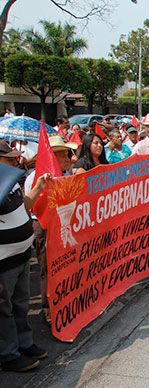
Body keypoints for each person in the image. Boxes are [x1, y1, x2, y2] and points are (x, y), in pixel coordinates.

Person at [0, 141, 51, 372]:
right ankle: (8, 353)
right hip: (3, 261)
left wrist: (38, 188)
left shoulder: (10, 183)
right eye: (9, 158)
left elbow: (25, 207)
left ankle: (24, 343)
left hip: (20, 256)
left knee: (20, 304)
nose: (15, 161)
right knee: (4, 308)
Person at [24, 136, 76, 322]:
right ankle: (49, 308)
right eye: (62, 156)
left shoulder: (66, 175)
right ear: (52, 157)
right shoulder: (34, 178)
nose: (67, 159)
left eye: (66, 155)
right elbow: (31, 206)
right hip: (44, 227)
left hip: (64, 225)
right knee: (47, 267)